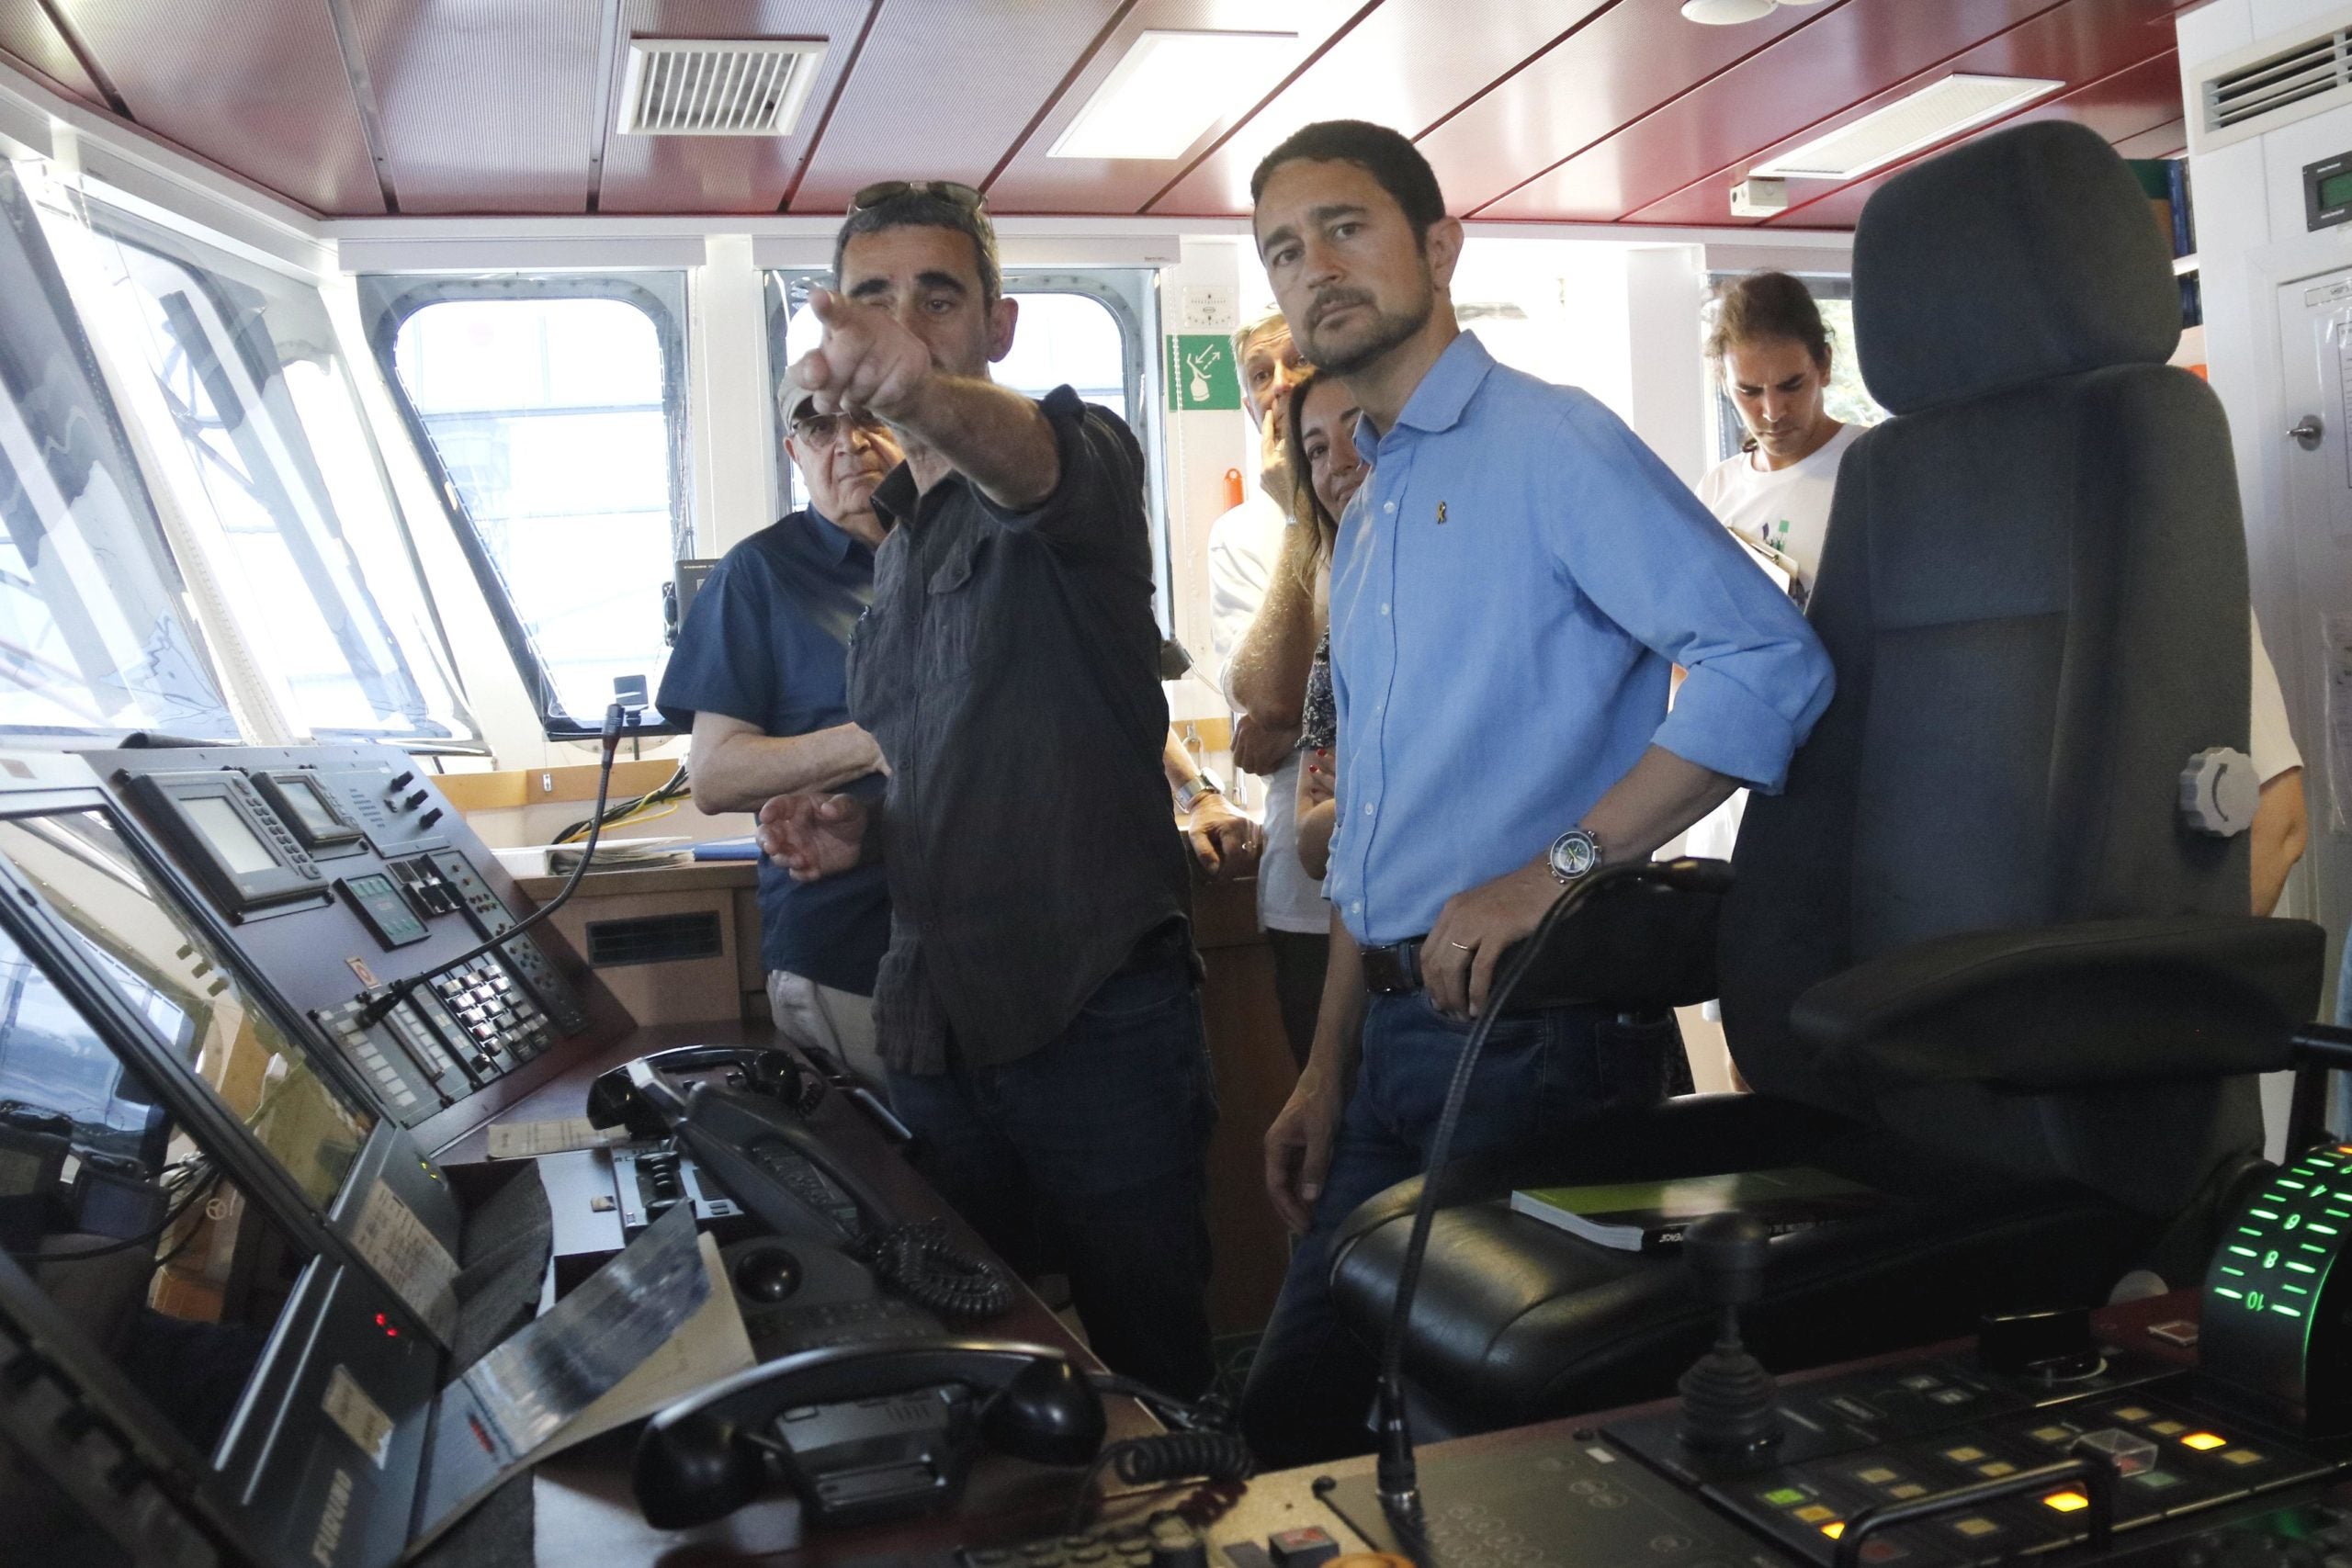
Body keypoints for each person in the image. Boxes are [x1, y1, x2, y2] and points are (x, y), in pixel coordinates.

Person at [1238, 120, 1834, 1465]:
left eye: (1346, 225)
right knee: (1301, 1428)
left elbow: (1766, 659)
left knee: (1510, 1456)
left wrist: (1554, 864)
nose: (1314, 267)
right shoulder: (1377, 499)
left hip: (1528, 1036)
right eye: (1284, 247)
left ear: (1440, 245)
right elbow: (1378, 824)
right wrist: (1325, 1065)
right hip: (1392, 1040)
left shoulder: (1551, 443)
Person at [755, 180, 1216, 1399]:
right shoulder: (897, 542)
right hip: (936, 1018)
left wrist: (912, 388)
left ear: (998, 325)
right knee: (984, 1367)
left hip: (1092, 1014)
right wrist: (861, 821)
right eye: (874, 296)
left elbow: (1028, 460)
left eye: (938, 297)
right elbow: (950, 755)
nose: (904, 322)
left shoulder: (1079, 460)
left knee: (1145, 1357)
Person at [658, 393, 902, 1087]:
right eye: (820, 426)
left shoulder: (957, 552)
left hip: (989, 943)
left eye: (869, 417)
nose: (848, 442)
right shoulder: (757, 575)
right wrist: (871, 741)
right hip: (851, 950)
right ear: (796, 454)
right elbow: (715, 775)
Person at [1213, 310, 1329, 1066]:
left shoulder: (1396, 490)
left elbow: (1290, 713)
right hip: (1305, 887)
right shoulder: (1243, 531)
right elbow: (1267, 702)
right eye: (1260, 374)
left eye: (1298, 362)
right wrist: (1296, 516)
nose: (1280, 383)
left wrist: (1297, 720)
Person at [1274, 369, 1368, 885]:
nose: (1341, 463)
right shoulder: (1342, 640)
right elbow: (1312, 845)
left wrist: (1360, 792)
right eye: (1315, 451)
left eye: (1358, 433)